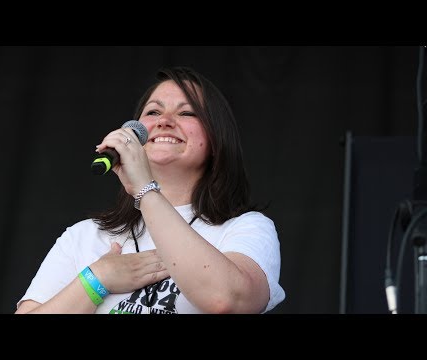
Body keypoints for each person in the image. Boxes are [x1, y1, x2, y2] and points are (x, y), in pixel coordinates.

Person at [15, 66, 285, 314]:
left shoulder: (245, 229)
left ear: (216, 138)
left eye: (187, 112)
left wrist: (145, 189)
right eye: (153, 112)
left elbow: (226, 300)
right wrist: (98, 279)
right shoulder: (85, 236)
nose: (164, 121)